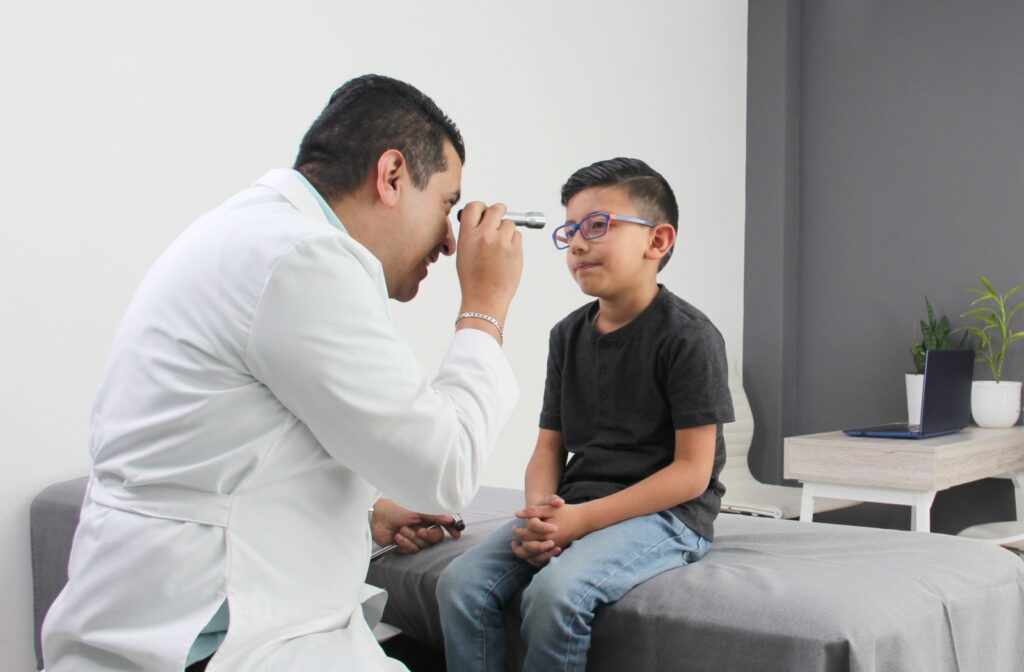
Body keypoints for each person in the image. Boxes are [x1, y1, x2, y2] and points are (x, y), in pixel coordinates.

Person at [41, 74, 523, 671]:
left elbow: (224, 454)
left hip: (157, 616)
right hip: (209, 644)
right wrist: (485, 306)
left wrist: (363, 515)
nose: (450, 241)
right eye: (447, 204)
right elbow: (444, 467)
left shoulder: (247, 233)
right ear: (392, 175)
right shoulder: (303, 259)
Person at [436, 157, 735, 671]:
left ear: (658, 242)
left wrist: (579, 521)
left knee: (554, 595)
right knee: (459, 586)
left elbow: (692, 474)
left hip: (668, 516)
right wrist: (539, 518)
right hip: (576, 505)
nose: (577, 243)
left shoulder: (690, 337)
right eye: (569, 230)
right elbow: (549, 447)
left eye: (597, 226)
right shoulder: (567, 335)